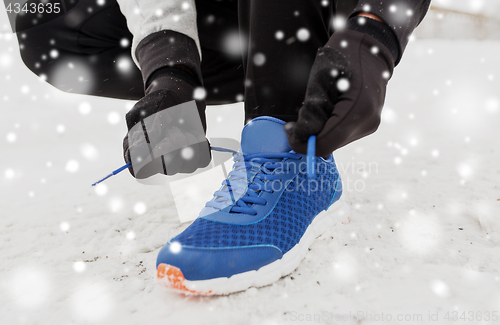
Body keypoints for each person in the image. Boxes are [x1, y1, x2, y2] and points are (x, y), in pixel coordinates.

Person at [17, 0, 430, 294]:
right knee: (37, 15)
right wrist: (169, 66)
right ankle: (268, 60)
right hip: (231, 21)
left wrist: (377, 28)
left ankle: (285, 146)